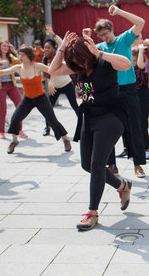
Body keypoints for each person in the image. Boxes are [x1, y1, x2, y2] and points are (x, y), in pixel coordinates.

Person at [48, 31, 134, 230]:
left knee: (97, 164)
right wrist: (62, 48)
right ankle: (122, 186)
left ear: (89, 54)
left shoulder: (103, 62)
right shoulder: (77, 67)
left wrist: (99, 53)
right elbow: (53, 69)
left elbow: (126, 64)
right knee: (87, 165)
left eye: (81, 59)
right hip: (89, 116)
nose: (79, 65)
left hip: (111, 117)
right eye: (75, 61)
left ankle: (92, 212)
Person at [0, 45, 72, 154]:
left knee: (52, 120)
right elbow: (2, 72)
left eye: (22, 55)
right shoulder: (18, 68)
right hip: (28, 99)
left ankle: (65, 139)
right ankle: (14, 141)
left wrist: (51, 83)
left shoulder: (38, 66)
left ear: (29, 56)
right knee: (15, 118)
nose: (20, 57)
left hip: (41, 98)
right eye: (19, 54)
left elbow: (53, 71)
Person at [93, 4, 147, 178]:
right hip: (109, 91)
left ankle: (138, 164)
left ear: (111, 30)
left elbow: (141, 22)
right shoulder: (99, 47)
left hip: (129, 90)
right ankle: (111, 165)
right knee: (108, 129)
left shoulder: (123, 40)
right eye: (100, 35)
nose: (103, 37)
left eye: (105, 33)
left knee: (134, 127)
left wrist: (119, 12)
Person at [40, 36, 79, 137]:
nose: (46, 49)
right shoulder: (44, 59)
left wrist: (53, 34)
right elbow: (47, 73)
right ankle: (47, 127)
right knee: (48, 108)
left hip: (66, 84)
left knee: (75, 106)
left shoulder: (59, 56)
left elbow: (62, 45)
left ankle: (83, 125)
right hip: (54, 87)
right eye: (45, 47)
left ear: (54, 48)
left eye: (48, 47)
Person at [0, 41, 25, 139]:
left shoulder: (11, 57)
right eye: (4, 46)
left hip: (11, 85)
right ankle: (1, 131)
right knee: (2, 109)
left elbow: (21, 63)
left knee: (20, 106)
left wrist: (15, 52)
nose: (6, 48)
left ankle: (19, 130)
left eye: (7, 46)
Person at [134, 44, 149, 160]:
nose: (133, 60)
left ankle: (146, 149)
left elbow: (141, 65)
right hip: (131, 94)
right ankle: (128, 149)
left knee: (143, 123)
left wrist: (141, 50)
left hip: (143, 94)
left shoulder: (143, 64)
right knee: (130, 124)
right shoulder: (128, 65)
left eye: (134, 57)